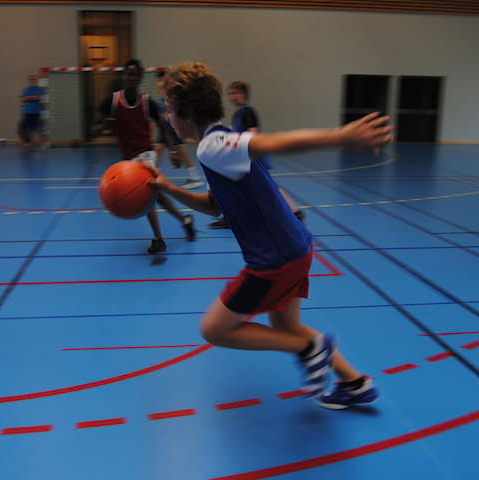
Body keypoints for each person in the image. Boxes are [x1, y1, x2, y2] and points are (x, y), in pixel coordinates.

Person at [146, 61, 392, 408]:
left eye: (170, 110)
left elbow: (273, 143)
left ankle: (310, 349)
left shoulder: (213, 146)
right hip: (297, 248)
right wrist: (167, 188)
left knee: (215, 329)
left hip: (274, 259)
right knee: (286, 324)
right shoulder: (215, 148)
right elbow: (215, 206)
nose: (167, 117)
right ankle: (355, 384)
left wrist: (340, 136)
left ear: (186, 111)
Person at [93, 59, 196, 254]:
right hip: (128, 158)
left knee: (147, 194)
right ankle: (185, 220)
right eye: (128, 74)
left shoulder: (147, 102)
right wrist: (102, 126)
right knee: (157, 197)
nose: (131, 78)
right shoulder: (112, 102)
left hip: (146, 155)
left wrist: (173, 150)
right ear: (123, 77)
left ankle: (159, 239)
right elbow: (96, 124)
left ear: (140, 78)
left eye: (135, 75)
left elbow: (165, 126)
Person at [209, 80, 304, 229]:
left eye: (236, 93)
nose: (232, 96)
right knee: (246, 187)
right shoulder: (239, 113)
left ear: (244, 95)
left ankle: (294, 213)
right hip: (246, 156)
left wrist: (241, 149)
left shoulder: (247, 112)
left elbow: (252, 134)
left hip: (252, 156)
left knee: (267, 186)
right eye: (230, 93)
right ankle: (233, 216)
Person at [154, 71, 203, 190]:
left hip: (173, 129)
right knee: (158, 150)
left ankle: (195, 178)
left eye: (160, 82)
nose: (158, 84)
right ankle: (151, 175)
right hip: (165, 129)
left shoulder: (172, 98)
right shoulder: (161, 100)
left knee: (182, 152)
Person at [18, 74, 47, 152]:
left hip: (37, 113)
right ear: (29, 81)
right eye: (31, 80)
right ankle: (29, 145)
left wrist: (28, 98)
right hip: (27, 113)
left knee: (41, 129)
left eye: (34, 80)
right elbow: (22, 100)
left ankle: (43, 145)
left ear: (36, 81)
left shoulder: (39, 89)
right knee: (23, 129)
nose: (32, 81)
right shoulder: (25, 90)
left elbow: (39, 98)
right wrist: (31, 98)